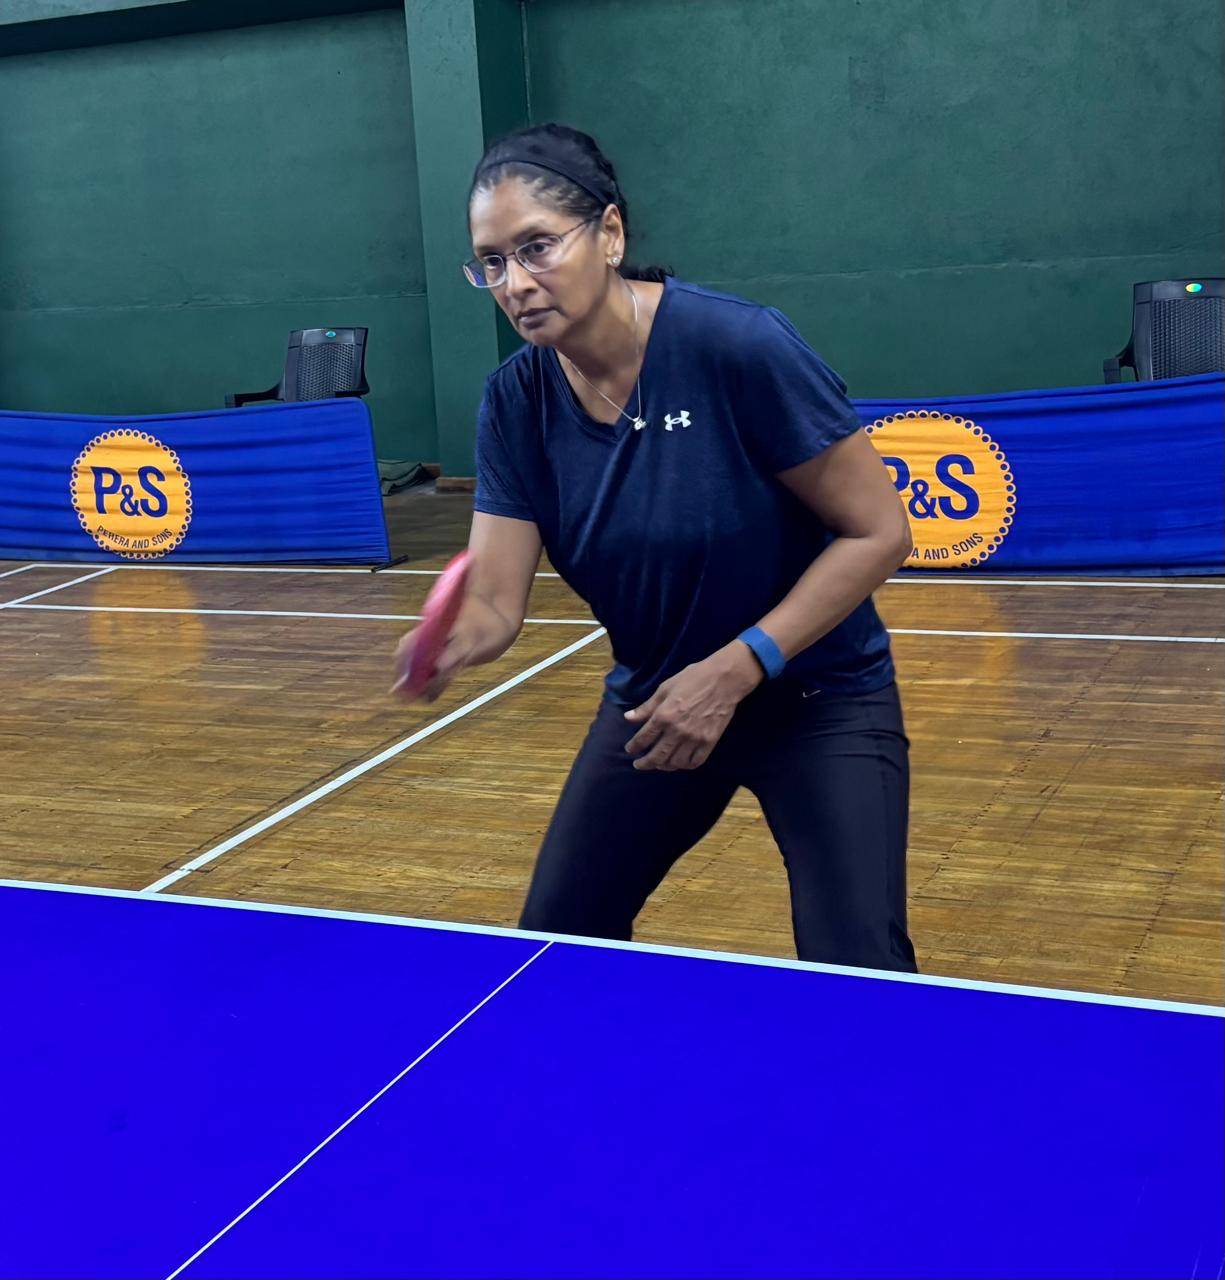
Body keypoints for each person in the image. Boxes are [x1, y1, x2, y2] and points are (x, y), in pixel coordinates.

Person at [395, 123, 917, 972]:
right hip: (658, 705)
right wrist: (454, 642)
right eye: (490, 262)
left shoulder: (737, 347)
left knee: (857, 968)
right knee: (557, 943)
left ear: (609, 233)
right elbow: (493, 601)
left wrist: (737, 668)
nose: (514, 283)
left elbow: (879, 531)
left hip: (815, 699)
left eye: (536, 248)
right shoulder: (514, 403)